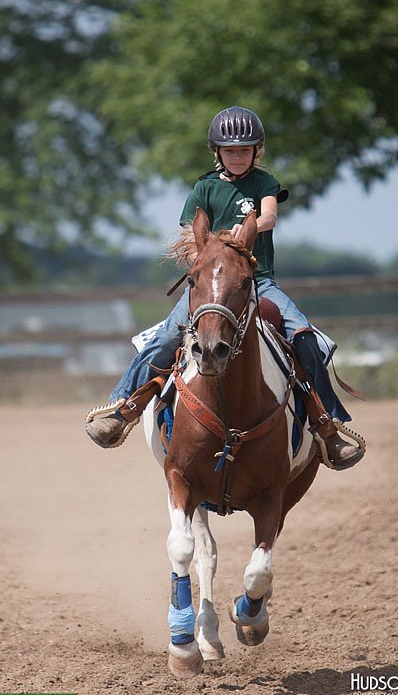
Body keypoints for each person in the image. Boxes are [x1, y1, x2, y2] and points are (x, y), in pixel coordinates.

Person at [85, 106, 365, 469]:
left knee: (305, 338)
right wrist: (215, 246)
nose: (237, 156)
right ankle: (124, 407)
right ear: (216, 151)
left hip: (258, 281)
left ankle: (327, 427)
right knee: (166, 337)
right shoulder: (205, 187)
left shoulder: (264, 184)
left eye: (245, 150)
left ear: (257, 151)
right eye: (230, 150)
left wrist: (246, 229)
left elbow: (268, 216)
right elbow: (191, 229)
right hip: (211, 286)